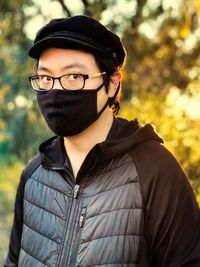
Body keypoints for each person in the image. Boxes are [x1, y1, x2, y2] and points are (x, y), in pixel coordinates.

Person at [4, 15, 200, 267]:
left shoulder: (155, 169)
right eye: (45, 78)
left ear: (111, 83)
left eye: (74, 76)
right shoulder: (33, 174)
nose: (55, 90)